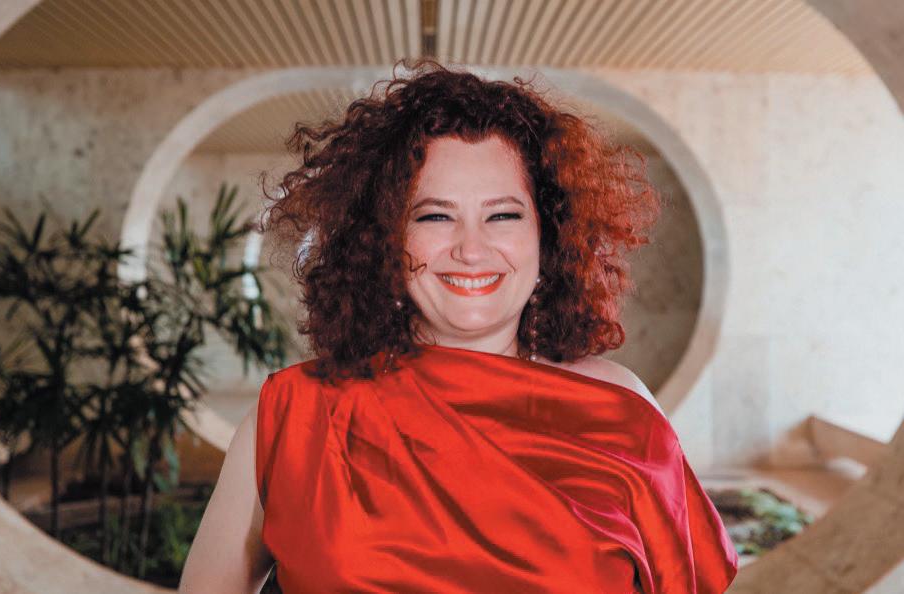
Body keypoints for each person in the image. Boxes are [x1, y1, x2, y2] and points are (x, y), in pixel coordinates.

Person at [178, 59, 738, 594]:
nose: (471, 249)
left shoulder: (620, 410)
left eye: (503, 215)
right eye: (435, 215)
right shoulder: (292, 416)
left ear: (549, 237)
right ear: (384, 239)